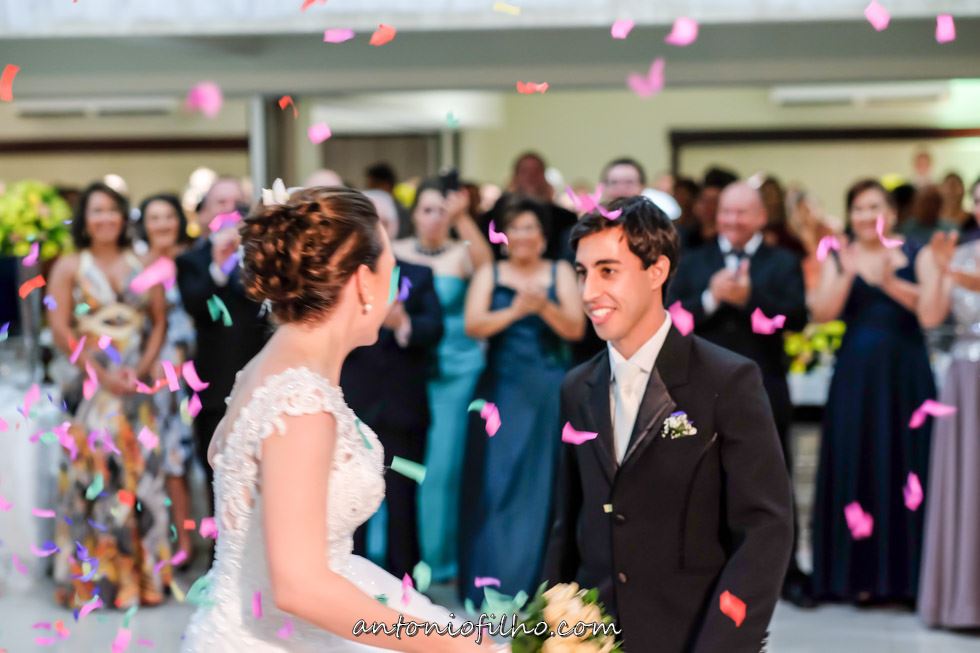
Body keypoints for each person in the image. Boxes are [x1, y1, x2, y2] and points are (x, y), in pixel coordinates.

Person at [180, 187, 500, 652]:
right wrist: (451, 645)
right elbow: (299, 587)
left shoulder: (267, 368)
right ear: (364, 282)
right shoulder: (301, 404)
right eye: (391, 272)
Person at [541, 195, 793, 652]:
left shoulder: (727, 380)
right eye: (582, 272)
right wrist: (541, 633)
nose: (589, 292)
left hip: (692, 635)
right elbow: (566, 526)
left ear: (656, 270)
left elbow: (765, 529)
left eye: (607, 271)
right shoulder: (577, 388)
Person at [668, 181, 810, 606]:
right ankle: (707, 570)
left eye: (742, 212)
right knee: (701, 479)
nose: (732, 220)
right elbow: (673, 318)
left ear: (761, 217)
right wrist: (711, 298)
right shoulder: (694, 261)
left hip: (764, 385)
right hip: (701, 387)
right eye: (726, 212)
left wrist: (751, 299)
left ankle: (785, 572)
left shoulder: (782, 262)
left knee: (773, 479)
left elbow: (797, 318)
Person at [808, 179, 934, 604]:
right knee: (855, 460)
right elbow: (822, 313)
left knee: (907, 465)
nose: (866, 216)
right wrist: (847, 271)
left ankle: (907, 579)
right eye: (858, 208)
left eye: (874, 207)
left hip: (906, 375)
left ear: (892, 213)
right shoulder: (839, 255)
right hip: (856, 378)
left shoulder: (916, 252)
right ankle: (855, 578)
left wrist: (888, 281)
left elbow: (933, 312)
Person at [46, 182, 171, 609]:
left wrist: (140, 370)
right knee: (93, 478)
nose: (105, 218)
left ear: (123, 217)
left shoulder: (144, 263)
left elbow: (159, 321)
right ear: (85, 218)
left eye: (112, 210)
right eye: (96, 210)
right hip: (89, 386)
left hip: (136, 385)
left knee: (141, 478)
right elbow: (60, 329)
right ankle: (95, 581)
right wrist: (99, 375)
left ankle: (143, 578)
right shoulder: (69, 266)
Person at [458, 200, 584, 606]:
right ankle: (493, 581)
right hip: (502, 390)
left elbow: (575, 328)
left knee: (542, 484)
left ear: (543, 236)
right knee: (497, 481)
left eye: (531, 228)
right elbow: (473, 324)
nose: (524, 236)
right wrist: (515, 311)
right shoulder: (490, 273)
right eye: (516, 228)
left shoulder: (560, 271)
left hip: (548, 390)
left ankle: (537, 584)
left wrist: (542, 305)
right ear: (504, 236)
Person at [393, 179, 492, 584]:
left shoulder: (462, 253)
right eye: (427, 209)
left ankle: (438, 558)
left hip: (455, 368)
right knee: (400, 460)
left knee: (442, 467)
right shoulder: (395, 251)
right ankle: (392, 551)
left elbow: (488, 267)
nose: (434, 218)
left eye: (441, 210)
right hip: (407, 366)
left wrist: (463, 218)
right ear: (414, 214)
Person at [342, 189, 445, 579]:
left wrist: (403, 323)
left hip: (404, 408)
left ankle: (405, 585)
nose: (376, 229)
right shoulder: (341, 278)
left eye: (383, 222)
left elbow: (435, 329)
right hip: (353, 408)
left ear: (395, 227)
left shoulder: (418, 274)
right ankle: (350, 583)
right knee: (351, 505)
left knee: (404, 502)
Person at [176, 177, 269, 519]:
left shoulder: (262, 256)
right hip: (214, 386)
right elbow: (196, 307)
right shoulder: (192, 261)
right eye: (221, 203)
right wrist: (218, 265)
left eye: (237, 203)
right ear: (204, 213)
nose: (231, 210)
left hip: (262, 380)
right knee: (218, 476)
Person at [915, 230, 980, 629]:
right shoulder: (960, 254)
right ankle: (963, 600)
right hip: (966, 376)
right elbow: (930, 317)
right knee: (967, 480)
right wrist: (942, 273)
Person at [136, 193, 197, 564]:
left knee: (184, 459)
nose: (162, 224)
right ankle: (164, 539)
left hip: (195, 371)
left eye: (168, 216)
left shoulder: (193, 260)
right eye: (154, 217)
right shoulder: (137, 265)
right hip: (152, 372)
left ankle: (189, 539)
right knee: (159, 456)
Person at [480, 152, 578, 262]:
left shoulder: (566, 218)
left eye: (536, 171)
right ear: (515, 177)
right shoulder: (493, 217)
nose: (531, 176)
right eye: (524, 171)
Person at [678, 167, 737, 251]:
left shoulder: (733, 242)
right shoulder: (684, 238)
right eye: (704, 200)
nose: (707, 206)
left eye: (714, 201)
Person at [366, 162, 412, 238]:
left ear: (386, 185)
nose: (371, 191)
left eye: (373, 186)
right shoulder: (366, 209)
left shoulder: (402, 214)